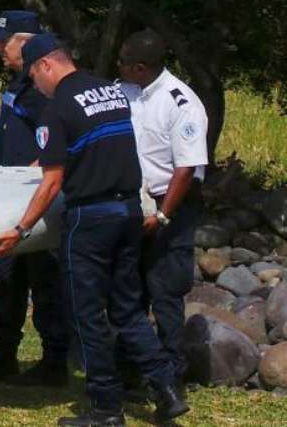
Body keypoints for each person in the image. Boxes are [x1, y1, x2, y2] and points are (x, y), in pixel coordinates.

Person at [0, 33, 189, 425]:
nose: (37, 87)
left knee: (87, 316)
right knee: (128, 309)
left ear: (46, 65)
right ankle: (166, 389)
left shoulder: (58, 107)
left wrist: (21, 228)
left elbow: (51, 183)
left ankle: (105, 409)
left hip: (90, 219)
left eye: (34, 77)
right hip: (129, 212)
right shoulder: (112, 92)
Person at [0, 10, 69, 387]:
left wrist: (30, 179)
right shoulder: (19, 84)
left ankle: (53, 362)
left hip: (34, 201)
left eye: (4, 41)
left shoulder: (43, 90)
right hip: (6, 202)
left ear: (26, 42)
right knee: (7, 281)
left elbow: (56, 144)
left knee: (44, 281)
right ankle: (3, 355)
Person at [117, 29, 208, 386]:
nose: (117, 66)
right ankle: (130, 368)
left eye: (123, 62)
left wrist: (163, 215)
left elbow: (185, 169)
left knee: (165, 291)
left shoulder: (180, 102)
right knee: (129, 289)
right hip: (131, 201)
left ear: (141, 67)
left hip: (170, 204)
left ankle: (170, 373)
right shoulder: (123, 91)